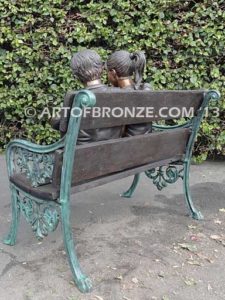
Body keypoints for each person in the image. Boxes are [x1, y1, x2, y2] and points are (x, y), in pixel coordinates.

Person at [52, 49, 122, 144]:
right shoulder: (120, 93)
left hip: (80, 157)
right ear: (102, 69)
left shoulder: (75, 98)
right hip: (114, 154)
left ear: (76, 77)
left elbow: (58, 123)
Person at [106, 50, 152, 136]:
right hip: (148, 145)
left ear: (113, 73)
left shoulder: (116, 97)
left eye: (107, 72)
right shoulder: (146, 89)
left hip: (125, 147)